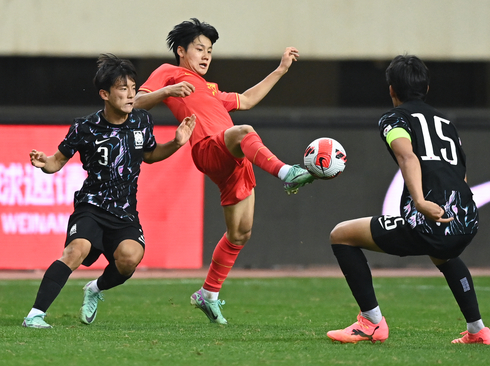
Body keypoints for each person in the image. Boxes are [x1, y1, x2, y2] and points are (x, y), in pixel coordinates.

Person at [134, 18, 314, 324]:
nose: (205, 56)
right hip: (208, 148)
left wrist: (281, 70)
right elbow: (137, 102)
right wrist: (169, 91)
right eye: (199, 49)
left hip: (235, 158)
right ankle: (287, 173)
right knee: (243, 131)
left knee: (240, 233)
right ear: (181, 50)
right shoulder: (169, 73)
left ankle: (208, 294)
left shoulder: (211, 88)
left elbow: (247, 99)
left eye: (210, 51)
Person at [326, 55, 490, 345]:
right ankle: (478, 330)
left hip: (428, 218)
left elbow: (407, 155)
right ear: (427, 88)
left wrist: (419, 201)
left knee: (341, 235)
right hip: (466, 218)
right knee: (444, 253)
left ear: (391, 89)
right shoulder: (446, 123)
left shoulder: (395, 119)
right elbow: (460, 173)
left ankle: (371, 322)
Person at [22, 54, 196, 328]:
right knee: (75, 251)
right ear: (105, 93)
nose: (131, 95)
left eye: (133, 88)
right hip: (91, 205)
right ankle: (35, 315)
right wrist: (44, 164)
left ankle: (95, 288)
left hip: (124, 211)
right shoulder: (85, 126)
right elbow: (56, 161)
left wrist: (176, 143)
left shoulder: (141, 121)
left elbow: (149, 155)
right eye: (123, 88)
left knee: (129, 259)